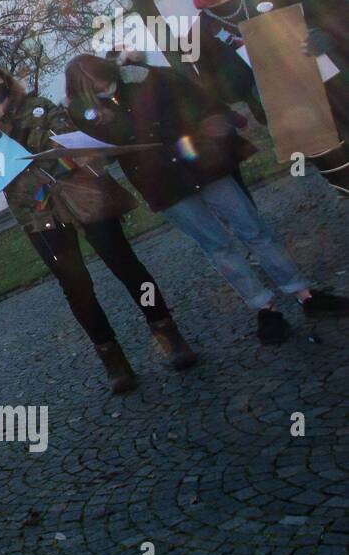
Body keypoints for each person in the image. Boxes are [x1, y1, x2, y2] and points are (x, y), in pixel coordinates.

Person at [64, 55, 349, 343]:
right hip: (161, 184)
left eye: (94, 80)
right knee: (216, 245)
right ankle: (263, 306)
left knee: (253, 229)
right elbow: (107, 151)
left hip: (201, 164)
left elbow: (196, 102)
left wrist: (222, 124)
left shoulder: (150, 77)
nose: (94, 88)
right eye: (85, 86)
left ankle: (303, 293)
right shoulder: (85, 112)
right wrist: (102, 135)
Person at [0, 65, 195, 393]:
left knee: (126, 265)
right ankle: (112, 359)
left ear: (6, 82)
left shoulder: (39, 107)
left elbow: (68, 145)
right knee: (76, 288)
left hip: (81, 197)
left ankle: (168, 333)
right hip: (37, 216)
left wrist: (25, 148)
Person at [164, 0, 349, 196]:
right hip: (300, 115)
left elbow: (337, 9)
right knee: (342, 172)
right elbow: (220, 89)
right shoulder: (201, 34)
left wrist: (328, 34)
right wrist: (251, 81)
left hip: (340, 86)